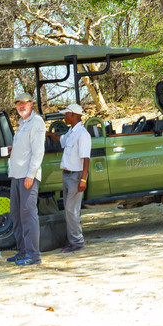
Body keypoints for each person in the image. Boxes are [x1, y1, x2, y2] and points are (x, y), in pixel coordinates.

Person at [6, 92, 45, 266]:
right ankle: (22, 251)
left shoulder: (36, 122)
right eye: (18, 104)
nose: (21, 106)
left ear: (31, 104)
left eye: (24, 103)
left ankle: (33, 255)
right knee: (16, 215)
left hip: (27, 177)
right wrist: (12, 150)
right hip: (16, 175)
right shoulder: (22, 124)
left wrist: (31, 175)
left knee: (29, 216)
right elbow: (25, 149)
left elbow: (38, 152)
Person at [58, 103, 92, 253]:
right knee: (69, 210)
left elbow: (86, 159)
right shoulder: (71, 132)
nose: (64, 117)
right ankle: (73, 241)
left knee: (72, 211)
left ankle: (77, 242)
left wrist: (83, 179)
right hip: (68, 175)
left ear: (74, 115)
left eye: (66, 114)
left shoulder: (82, 134)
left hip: (76, 176)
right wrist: (48, 135)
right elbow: (61, 140)